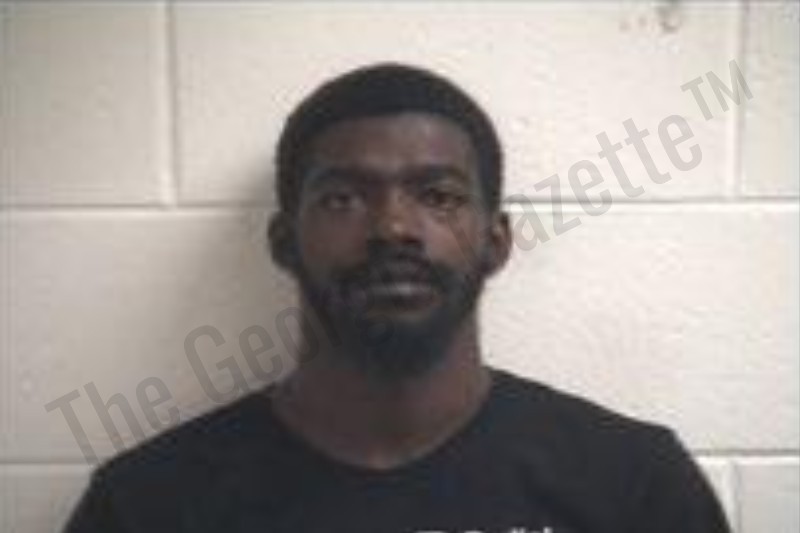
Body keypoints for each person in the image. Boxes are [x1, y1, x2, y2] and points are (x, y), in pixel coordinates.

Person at [65, 63, 731, 533]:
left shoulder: (635, 487)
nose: (393, 228)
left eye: (438, 195)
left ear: (496, 241)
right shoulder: (148, 505)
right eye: (343, 198)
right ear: (283, 242)